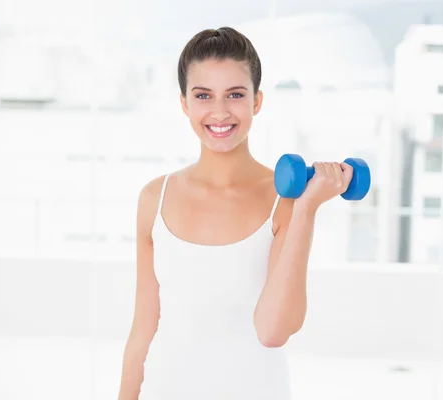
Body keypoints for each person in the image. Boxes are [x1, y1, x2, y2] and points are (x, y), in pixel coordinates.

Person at [117, 26, 354, 400]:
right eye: (203, 95)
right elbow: (143, 330)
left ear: (257, 101)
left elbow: (274, 330)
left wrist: (306, 208)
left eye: (235, 95)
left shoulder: (285, 202)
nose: (220, 111)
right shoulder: (154, 198)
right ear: (184, 104)